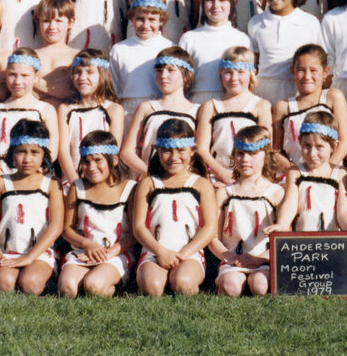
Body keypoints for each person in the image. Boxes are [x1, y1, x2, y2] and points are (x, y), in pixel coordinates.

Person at [132, 119, 217, 296]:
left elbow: (209, 227)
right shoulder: (148, 183)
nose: (174, 157)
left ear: (192, 151)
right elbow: (138, 227)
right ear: (158, 150)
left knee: (183, 283)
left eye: (181, 150)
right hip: (154, 251)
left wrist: (184, 253)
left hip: (189, 252)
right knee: (152, 286)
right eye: (167, 151)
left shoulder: (201, 184)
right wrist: (160, 251)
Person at [0, 48, 59, 217]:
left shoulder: (44, 109)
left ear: (36, 77)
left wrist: (30, 176)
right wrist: (3, 179)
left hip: (34, 175)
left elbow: (52, 151)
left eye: (25, 76)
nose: (17, 81)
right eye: (12, 74)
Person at [0, 119, 64, 294]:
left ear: (44, 154)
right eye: (21, 152)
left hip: (39, 254)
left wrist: (29, 257)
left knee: (30, 284)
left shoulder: (51, 184)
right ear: (12, 153)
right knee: (4, 284)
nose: (27, 159)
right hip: (8, 252)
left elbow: (56, 226)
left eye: (35, 152)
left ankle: (46, 280)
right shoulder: (1, 183)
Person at [58, 131, 136, 297]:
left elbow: (134, 234)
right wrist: (87, 244)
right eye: (86, 162)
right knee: (68, 288)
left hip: (116, 252)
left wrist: (108, 253)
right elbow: (67, 229)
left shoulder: (129, 188)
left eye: (98, 160)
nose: (91, 167)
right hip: (84, 250)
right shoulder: (77, 188)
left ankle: (116, 284)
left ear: (113, 160)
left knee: (94, 286)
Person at [211, 126, 285, 296]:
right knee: (231, 287)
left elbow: (284, 237)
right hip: (232, 259)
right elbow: (213, 236)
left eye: (252, 154)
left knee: (260, 285)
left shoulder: (275, 192)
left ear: (266, 157)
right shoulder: (225, 193)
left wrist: (259, 258)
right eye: (240, 153)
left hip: (264, 259)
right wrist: (229, 257)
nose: (245, 159)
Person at [265, 111, 347, 233]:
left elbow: (343, 210)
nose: (312, 153)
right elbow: (290, 203)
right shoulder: (296, 172)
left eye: (319, 147)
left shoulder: (340, 173)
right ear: (299, 142)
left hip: (333, 242)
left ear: (334, 147)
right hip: (304, 241)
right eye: (307, 146)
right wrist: (282, 224)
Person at [194, 47, 273, 186]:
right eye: (228, 73)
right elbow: (202, 149)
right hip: (216, 176)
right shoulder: (210, 106)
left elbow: (266, 147)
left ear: (252, 73)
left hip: (250, 176)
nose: (234, 78)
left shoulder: (261, 105)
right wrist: (222, 173)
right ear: (220, 73)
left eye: (241, 72)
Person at [248, 0, 323, 104]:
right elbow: (254, 61)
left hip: (297, 91)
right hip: (264, 92)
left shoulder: (310, 22)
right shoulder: (256, 22)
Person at [120, 47, 198, 178]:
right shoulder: (147, 108)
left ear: (186, 75)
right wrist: (152, 175)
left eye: (171, 70)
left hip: (184, 183)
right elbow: (127, 152)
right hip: (148, 179)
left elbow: (198, 153)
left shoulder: (197, 111)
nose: (163, 76)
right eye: (159, 71)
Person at [272, 45, 347, 166]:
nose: (307, 76)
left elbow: (344, 142)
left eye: (313, 70)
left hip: (329, 174)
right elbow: (276, 150)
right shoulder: (283, 107)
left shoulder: (333, 97)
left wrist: (325, 171)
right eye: (301, 70)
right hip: (294, 175)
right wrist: (295, 172)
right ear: (292, 71)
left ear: (325, 72)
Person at [178, 0, 250, 104]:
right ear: (201, 3)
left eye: (222, 0)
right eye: (210, 0)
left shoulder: (242, 39)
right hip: (198, 101)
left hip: (232, 101)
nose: (216, 5)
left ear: (234, 3)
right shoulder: (189, 38)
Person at [57, 49, 123, 185]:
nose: (82, 77)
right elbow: (63, 151)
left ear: (104, 75)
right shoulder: (65, 110)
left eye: (89, 72)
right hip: (72, 181)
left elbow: (112, 151)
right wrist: (75, 182)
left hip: (102, 181)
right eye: (78, 72)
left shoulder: (113, 109)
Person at [108, 0, 175, 121]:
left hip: (160, 109)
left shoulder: (170, 47)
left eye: (152, 20)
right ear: (132, 18)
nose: (146, 25)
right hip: (128, 111)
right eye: (140, 19)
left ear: (161, 20)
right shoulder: (119, 50)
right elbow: (113, 88)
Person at [31, 0, 79, 107]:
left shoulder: (76, 56)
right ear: (38, 22)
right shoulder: (30, 56)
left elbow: (70, 91)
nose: (52, 26)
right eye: (46, 21)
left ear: (71, 22)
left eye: (58, 21)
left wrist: (35, 82)